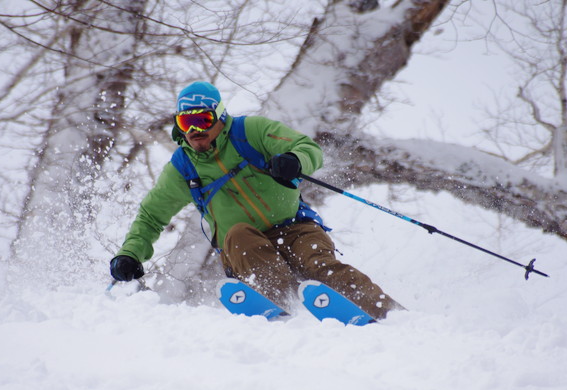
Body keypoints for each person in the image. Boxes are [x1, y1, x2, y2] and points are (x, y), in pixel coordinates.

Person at [110, 81, 403, 319]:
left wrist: (294, 160)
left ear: (220, 117)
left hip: (296, 227)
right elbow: (151, 215)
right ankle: (279, 307)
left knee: (318, 266)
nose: (195, 130)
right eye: (187, 121)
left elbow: (307, 147)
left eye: (203, 119)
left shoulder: (251, 132)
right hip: (244, 246)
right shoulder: (182, 167)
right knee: (238, 234)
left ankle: (392, 317)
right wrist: (131, 254)